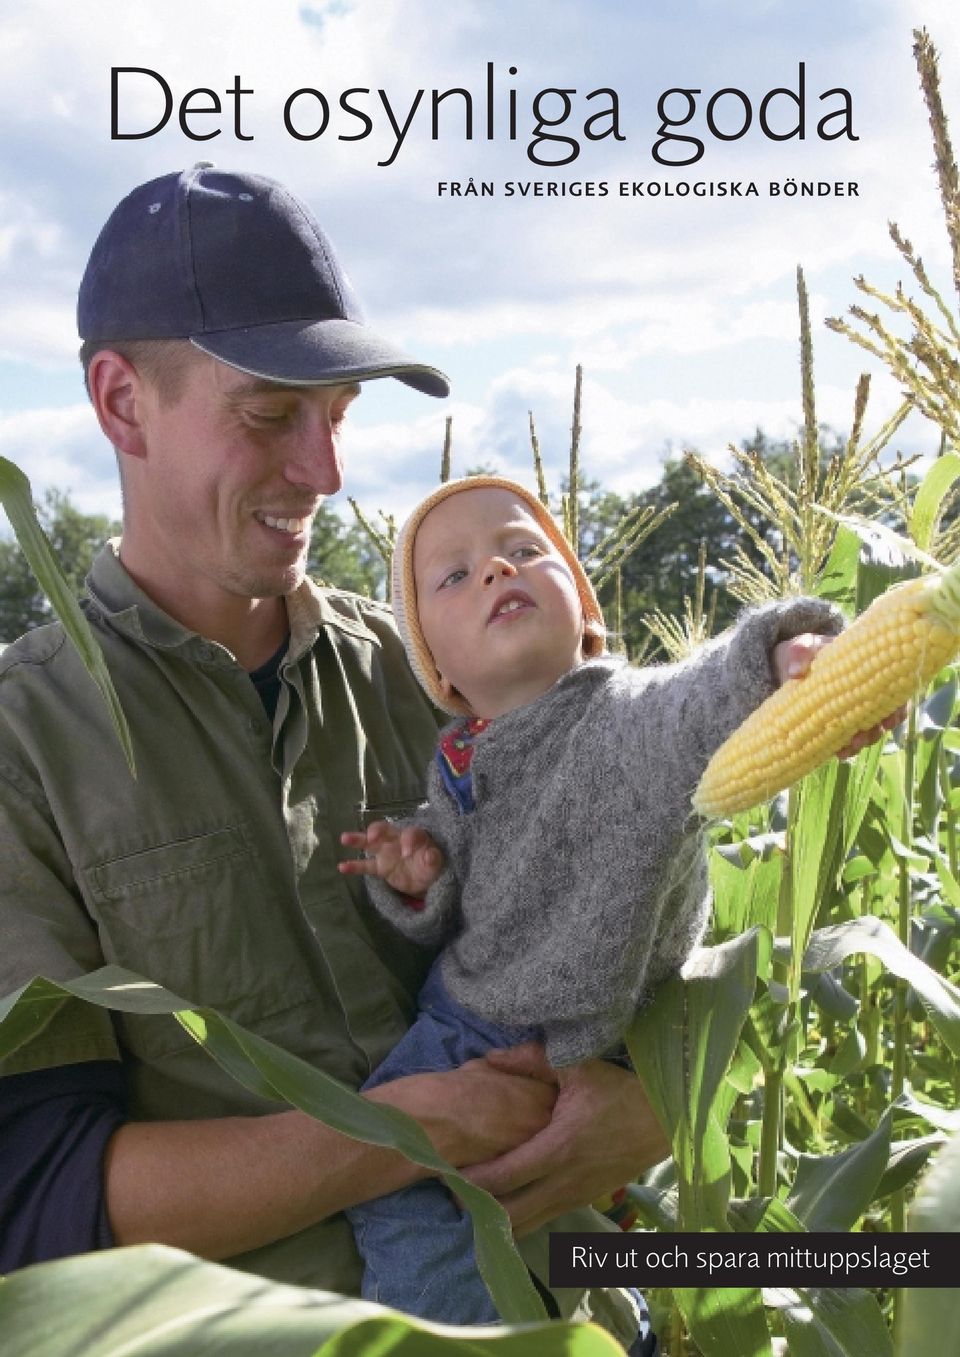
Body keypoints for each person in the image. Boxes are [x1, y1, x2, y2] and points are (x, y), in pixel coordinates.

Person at [0, 163, 668, 1350]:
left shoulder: (439, 671)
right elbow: (43, 1196)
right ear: (119, 401)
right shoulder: (22, 747)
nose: (326, 472)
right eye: (270, 415)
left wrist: (646, 1105)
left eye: (340, 416)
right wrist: (411, 1129)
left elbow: (633, 940)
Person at [338, 475, 899, 1332]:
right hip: (468, 1020)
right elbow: (461, 873)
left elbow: (698, 695)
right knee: (407, 1180)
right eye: (454, 575)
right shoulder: (462, 759)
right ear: (440, 673)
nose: (495, 567)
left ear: (584, 608)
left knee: (404, 1193)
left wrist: (786, 659)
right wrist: (419, 867)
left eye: (524, 550)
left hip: (574, 1032)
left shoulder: (625, 720)